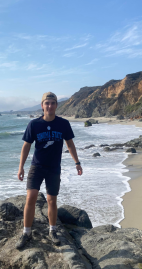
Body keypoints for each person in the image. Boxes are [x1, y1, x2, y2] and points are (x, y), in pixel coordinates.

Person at [16, 92, 83, 249]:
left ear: (56, 105)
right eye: (47, 103)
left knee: (52, 200)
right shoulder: (34, 124)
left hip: (54, 168)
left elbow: (70, 144)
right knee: (31, 197)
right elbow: (26, 146)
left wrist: (77, 162)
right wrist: (21, 167)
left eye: (53, 103)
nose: (50, 106)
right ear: (42, 105)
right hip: (37, 167)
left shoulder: (63, 124)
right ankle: (26, 233)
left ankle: (52, 231)